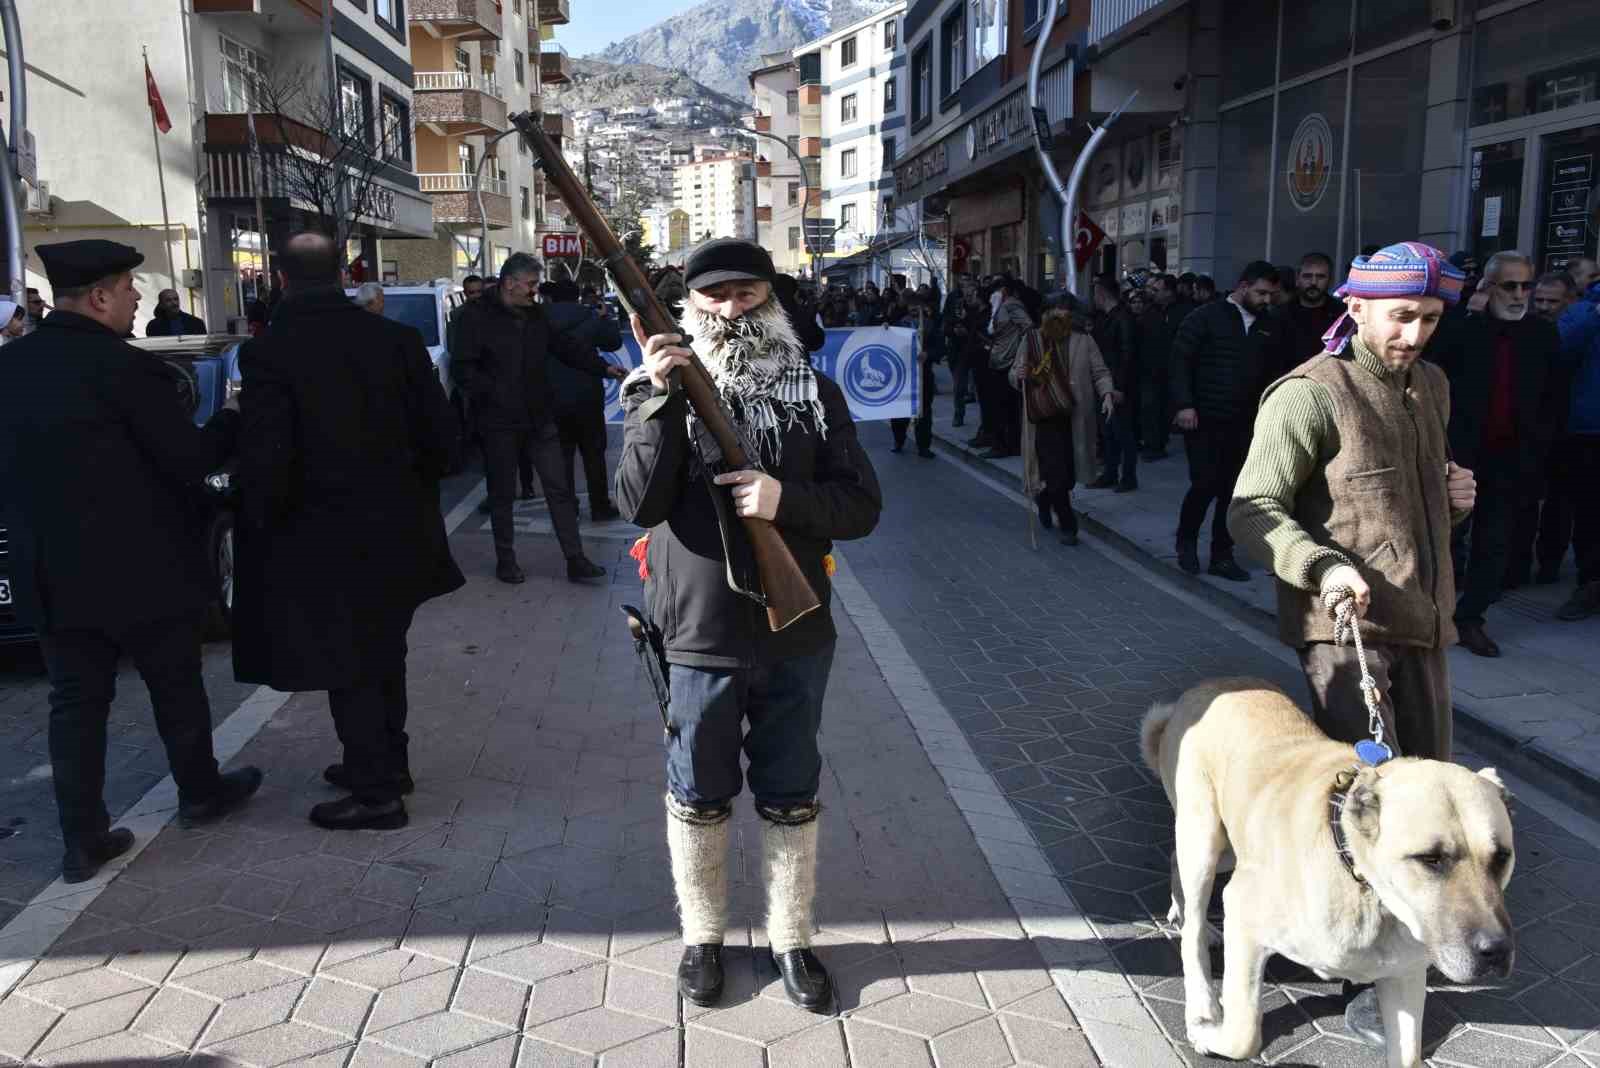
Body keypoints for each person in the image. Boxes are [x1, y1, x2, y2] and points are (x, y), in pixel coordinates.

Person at [618, 238, 882, 1013]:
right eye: (714, 295)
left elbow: (861, 507)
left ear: (772, 298)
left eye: (747, 293)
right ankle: (702, 937)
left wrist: (782, 500)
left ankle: (790, 938)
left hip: (795, 626)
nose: (732, 308)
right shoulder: (649, 390)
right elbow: (636, 502)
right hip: (698, 627)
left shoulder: (816, 394)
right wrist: (662, 397)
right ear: (688, 306)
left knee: (790, 786)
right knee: (697, 789)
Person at [1228, 241, 1474, 1052]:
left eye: (1431, 318)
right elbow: (1252, 509)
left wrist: (1455, 500)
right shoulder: (1309, 395)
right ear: (1357, 308)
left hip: (1424, 629)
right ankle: (1363, 972)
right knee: (1369, 812)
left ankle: (1402, 948)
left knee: (1430, 804)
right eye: (1402, 315)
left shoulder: (1430, 385)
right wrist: (1321, 564)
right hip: (1347, 639)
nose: (1415, 333)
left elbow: (1405, 511)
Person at [0, 240, 263, 882]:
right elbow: (191, 462)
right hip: (143, 566)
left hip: (53, 569)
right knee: (174, 685)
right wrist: (231, 415)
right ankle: (199, 794)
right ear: (98, 298)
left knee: (75, 701)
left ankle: (82, 838)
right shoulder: (131, 372)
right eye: (126, 287)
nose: (136, 296)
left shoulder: (9, 368)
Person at [231, 232, 462, 831]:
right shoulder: (398, 341)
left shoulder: (269, 353)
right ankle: (387, 761)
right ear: (343, 273)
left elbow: (266, 459)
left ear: (280, 279)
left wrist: (263, 522)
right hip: (399, 531)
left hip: (321, 539)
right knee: (384, 651)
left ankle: (376, 790)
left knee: (349, 662)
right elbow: (444, 441)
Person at [455, 253, 625, 584]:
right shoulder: (473, 317)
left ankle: (575, 559)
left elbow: (565, 348)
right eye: (531, 284)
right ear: (510, 283)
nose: (535, 291)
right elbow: (464, 370)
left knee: (559, 489)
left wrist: (603, 367)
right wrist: (495, 395)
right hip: (499, 422)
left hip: (539, 416)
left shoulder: (537, 315)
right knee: (502, 492)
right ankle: (506, 560)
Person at [1429, 251, 1558, 658]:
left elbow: (1554, 398)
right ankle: (1436, 613)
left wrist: (1539, 449)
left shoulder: (1542, 334)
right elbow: (1433, 365)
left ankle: (1471, 618)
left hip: (1512, 459)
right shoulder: (1465, 329)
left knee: (1495, 542)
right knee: (1446, 537)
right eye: (1509, 286)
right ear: (1488, 286)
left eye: (1526, 286)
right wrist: (1469, 312)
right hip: (1460, 455)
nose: (1520, 295)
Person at [1169, 260, 1283, 581]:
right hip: (1204, 420)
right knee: (1205, 484)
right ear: (1243, 286)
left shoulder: (1269, 325)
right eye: (1261, 293)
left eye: (1271, 294)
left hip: (1245, 422)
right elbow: (1180, 361)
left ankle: (1222, 554)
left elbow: (1273, 371)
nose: (1266, 300)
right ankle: (1186, 541)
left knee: (1233, 492)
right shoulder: (1205, 317)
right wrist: (1184, 405)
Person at [1015, 298, 1115, 544]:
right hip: (1043, 418)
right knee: (1056, 474)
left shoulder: (1083, 340)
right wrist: (1018, 375)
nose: (1058, 315)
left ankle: (1046, 498)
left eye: (1064, 311)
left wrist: (1107, 394)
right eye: (1053, 311)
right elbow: (1015, 372)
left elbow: (1100, 371)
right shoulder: (1032, 340)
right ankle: (1069, 525)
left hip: (1074, 418)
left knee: (1067, 476)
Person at [1507, 271, 1581, 589]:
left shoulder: (1581, 331)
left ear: (1571, 301)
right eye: (1540, 300)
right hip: (1532, 431)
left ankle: (1549, 562)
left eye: (1553, 301)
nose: (1545, 307)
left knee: (1559, 504)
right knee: (1523, 503)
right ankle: (1518, 566)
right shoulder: (1528, 332)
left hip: (1571, 430)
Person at [543, 278, 623, 521]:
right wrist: (604, 317)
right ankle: (599, 505)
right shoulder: (588, 317)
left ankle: (568, 507)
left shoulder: (539, 318)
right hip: (586, 392)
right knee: (594, 453)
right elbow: (613, 342)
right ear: (577, 296)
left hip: (550, 395)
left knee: (561, 455)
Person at [1552, 275, 1600, 621]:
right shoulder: (1584, 311)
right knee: (1590, 514)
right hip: (1590, 430)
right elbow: (1559, 351)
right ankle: (1590, 584)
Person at [1087, 277, 1140, 491]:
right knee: (1108, 432)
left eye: (1095, 294)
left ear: (1102, 294)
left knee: (1124, 434)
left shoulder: (1123, 319)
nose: (1093, 299)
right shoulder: (1106, 318)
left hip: (1118, 386)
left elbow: (1128, 357)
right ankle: (1109, 473)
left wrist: (1119, 388)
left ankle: (1128, 478)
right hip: (1105, 383)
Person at [1136, 273, 1191, 461]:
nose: (1153, 293)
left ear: (1169, 292)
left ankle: (1157, 442)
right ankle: (1152, 444)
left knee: (1163, 408)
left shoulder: (1183, 312)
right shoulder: (1150, 311)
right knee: (1150, 407)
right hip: (1149, 369)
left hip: (1170, 369)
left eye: (1156, 290)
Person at [980, 278, 1031, 459]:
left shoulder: (1011, 305)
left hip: (1007, 362)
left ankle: (1004, 445)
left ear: (1003, 290)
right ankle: (1006, 444)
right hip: (999, 360)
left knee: (1003, 407)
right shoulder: (1000, 306)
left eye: (996, 289)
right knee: (1004, 407)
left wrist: (1019, 353)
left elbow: (1028, 327)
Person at [1277, 252, 1345, 377]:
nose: (1313, 282)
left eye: (1320, 277)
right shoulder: (1279, 315)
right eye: (1307, 276)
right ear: (1297, 279)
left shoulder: (1343, 316)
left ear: (1330, 281)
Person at [889, 293, 939, 458]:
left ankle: (923, 446)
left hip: (923, 375)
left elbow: (940, 348)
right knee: (899, 410)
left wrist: (928, 354)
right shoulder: (898, 325)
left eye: (916, 305)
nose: (913, 308)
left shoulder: (931, 325)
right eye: (910, 305)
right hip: (903, 375)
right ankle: (899, 439)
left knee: (924, 412)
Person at [144, 288, 208, 336]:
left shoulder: (196, 323)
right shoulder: (153, 326)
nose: (174, 303)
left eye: (176, 299)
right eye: (168, 300)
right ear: (161, 304)